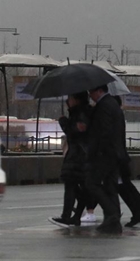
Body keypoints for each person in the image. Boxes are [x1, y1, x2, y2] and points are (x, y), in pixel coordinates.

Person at [86, 84, 126, 235]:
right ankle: (112, 222)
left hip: (105, 153)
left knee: (92, 183)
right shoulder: (113, 104)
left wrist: (97, 152)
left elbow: (103, 131)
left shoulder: (104, 106)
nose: (90, 94)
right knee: (110, 187)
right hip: (115, 153)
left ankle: (112, 215)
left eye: (91, 91)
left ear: (99, 91)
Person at [48, 92, 92, 227]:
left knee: (71, 185)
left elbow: (75, 132)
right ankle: (76, 216)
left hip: (77, 155)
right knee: (79, 187)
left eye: (70, 98)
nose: (68, 101)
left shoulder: (81, 113)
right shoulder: (82, 111)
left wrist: (63, 122)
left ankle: (67, 216)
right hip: (79, 154)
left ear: (76, 100)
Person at [112, 95, 140, 228]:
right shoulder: (119, 117)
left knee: (122, 187)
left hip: (116, 158)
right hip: (121, 157)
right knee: (125, 185)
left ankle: (136, 211)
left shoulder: (114, 118)